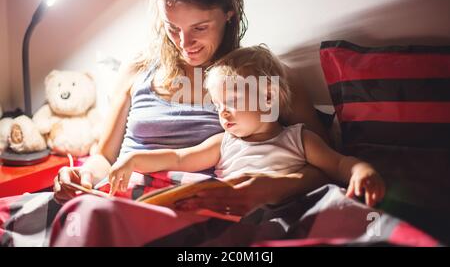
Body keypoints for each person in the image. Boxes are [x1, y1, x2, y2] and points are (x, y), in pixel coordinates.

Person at [53, 0, 332, 215]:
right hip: (120, 199)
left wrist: (274, 187)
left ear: (228, 14)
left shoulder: (260, 82)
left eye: (199, 27)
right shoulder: (137, 69)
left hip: (192, 213)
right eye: (172, 28)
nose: (185, 44)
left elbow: (325, 166)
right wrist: (84, 175)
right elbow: (104, 157)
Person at [108, 45, 385, 208]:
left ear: (267, 97)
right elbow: (179, 158)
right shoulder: (223, 142)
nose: (222, 112)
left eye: (231, 101)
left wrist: (364, 171)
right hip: (235, 216)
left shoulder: (299, 139)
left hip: (289, 210)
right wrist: (133, 160)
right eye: (217, 105)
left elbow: (338, 165)